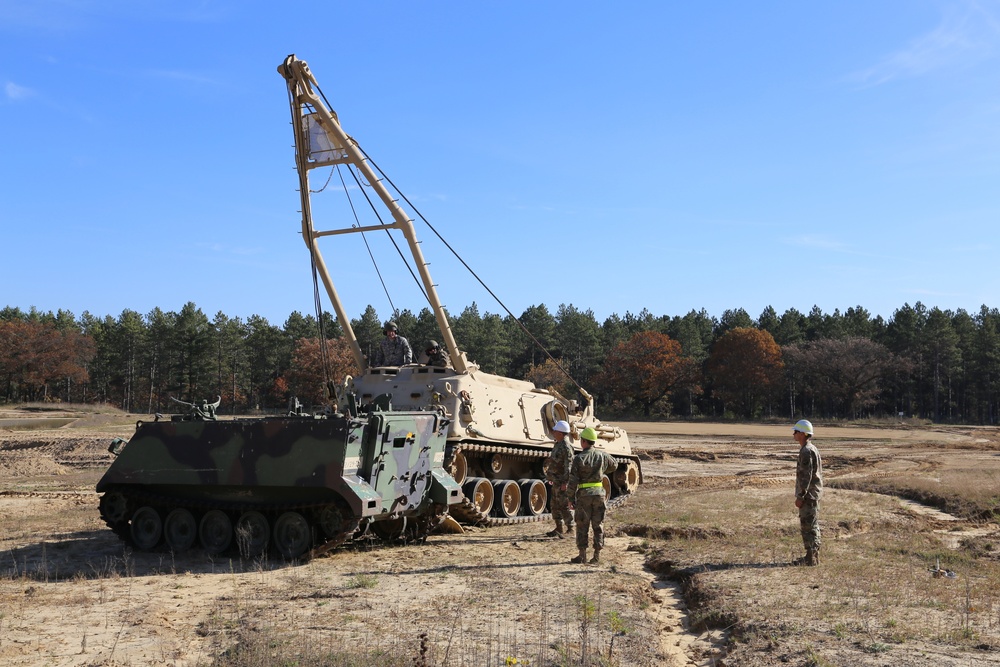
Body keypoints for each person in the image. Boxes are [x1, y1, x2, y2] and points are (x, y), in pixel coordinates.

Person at [567, 426, 618, 564]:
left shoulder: (578, 459)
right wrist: (602, 470)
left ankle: (582, 555)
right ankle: (596, 556)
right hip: (599, 494)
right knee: (598, 524)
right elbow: (615, 464)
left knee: (582, 525)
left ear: (583, 441)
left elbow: (573, 481)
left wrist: (570, 498)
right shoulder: (602, 455)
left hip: (584, 496)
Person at [793, 419, 823, 566]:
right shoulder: (811, 448)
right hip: (812, 494)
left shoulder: (806, 451)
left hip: (809, 495)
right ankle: (812, 556)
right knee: (811, 524)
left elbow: (806, 476)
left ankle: (811, 558)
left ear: (804, 434)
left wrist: (801, 496)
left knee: (808, 526)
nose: (794, 434)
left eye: (796, 432)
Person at [544, 420, 575, 538]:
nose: (553, 432)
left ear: (561, 433)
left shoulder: (566, 447)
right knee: (555, 505)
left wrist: (566, 482)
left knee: (564, 505)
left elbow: (569, 466)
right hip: (556, 481)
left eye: (556, 431)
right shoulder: (558, 444)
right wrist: (551, 477)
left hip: (562, 481)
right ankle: (559, 528)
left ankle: (571, 528)